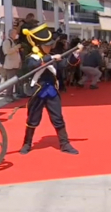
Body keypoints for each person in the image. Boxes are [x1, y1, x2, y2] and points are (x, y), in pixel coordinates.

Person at [20, 23, 81, 155]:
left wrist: (75, 54)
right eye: (47, 45)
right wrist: (50, 58)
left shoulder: (53, 56)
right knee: (32, 119)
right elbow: (33, 66)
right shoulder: (32, 57)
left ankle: (65, 144)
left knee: (58, 118)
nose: (50, 47)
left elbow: (66, 64)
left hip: (52, 91)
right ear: (39, 46)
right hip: (38, 91)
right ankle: (27, 143)